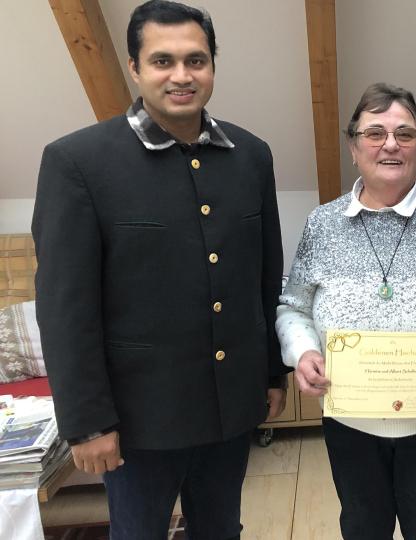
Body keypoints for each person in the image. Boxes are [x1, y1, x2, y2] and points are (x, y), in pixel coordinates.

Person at [32, 1, 288, 538]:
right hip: (136, 421)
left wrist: (270, 373)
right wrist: (87, 422)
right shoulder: (78, 162)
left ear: (212, 65)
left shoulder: (252, 155)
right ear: (135, 68)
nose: (181, 76)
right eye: (162, 60)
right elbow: (66, 307)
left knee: (221, 530)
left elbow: (263, 278)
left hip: (230, 406)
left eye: (196, 60)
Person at [276, 82, 416, 540]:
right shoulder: (323, 224)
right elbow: (293, 306)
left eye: (405, 133)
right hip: (350, 419)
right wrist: (302, 353)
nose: (390, 144)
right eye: (374, 132)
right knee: (362, 527)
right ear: (353, 146)